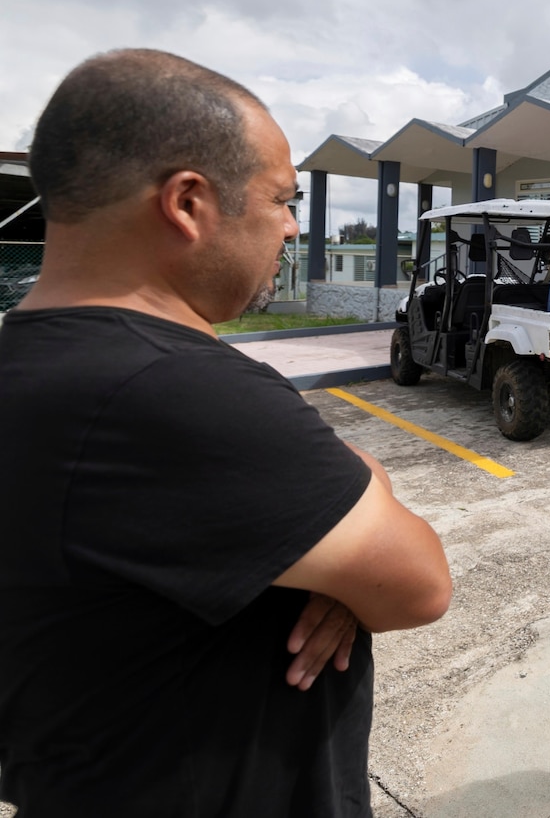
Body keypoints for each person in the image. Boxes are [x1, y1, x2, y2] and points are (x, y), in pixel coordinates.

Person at [0, 49, 452, 817]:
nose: (289, 228)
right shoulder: (177, 392)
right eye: (282, 200)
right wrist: (355, 515)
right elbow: (417, 583)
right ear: (188, 202)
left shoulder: (31, 361)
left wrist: (327, 549)